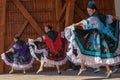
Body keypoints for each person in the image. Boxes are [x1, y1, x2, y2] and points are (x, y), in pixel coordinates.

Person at [65, 1, 120, 78]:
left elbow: (84, 22)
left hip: (96, 39)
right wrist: (117, 18)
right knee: (103, 54)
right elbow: (114, 18)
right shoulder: (106, 16)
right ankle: (105, 70)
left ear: (94, 10)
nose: (89, 12)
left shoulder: (93, 18)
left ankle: (83, 67)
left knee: (84, 49)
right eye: (88, 11)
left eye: (90, 11)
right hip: (105, 39)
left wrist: (75, 24)